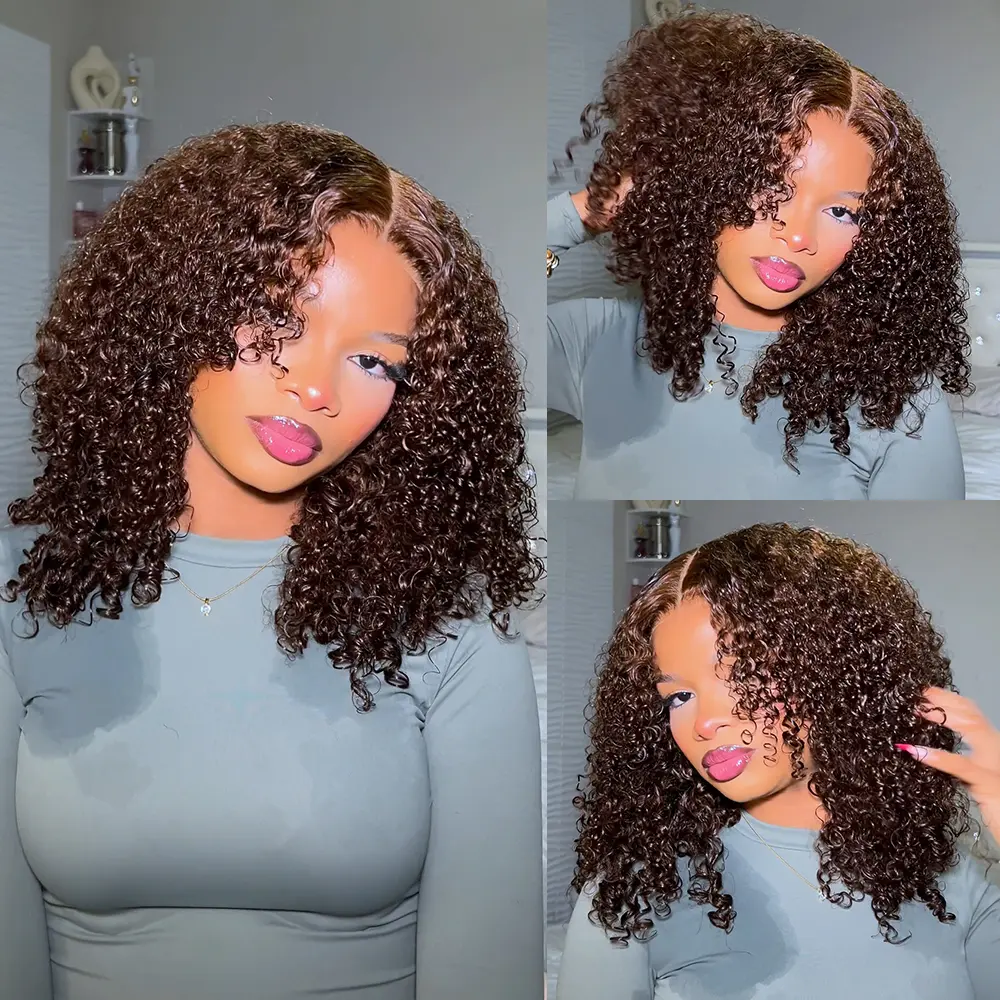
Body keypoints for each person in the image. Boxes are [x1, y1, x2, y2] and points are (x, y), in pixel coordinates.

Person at [1, 122, 543, 1000]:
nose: (317, 387)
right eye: (280, 319)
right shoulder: (19, 596)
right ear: (179, 304)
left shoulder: (456, 635)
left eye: (372, 360)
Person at [557, 523, 1000, 999]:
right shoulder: (633, 894)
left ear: (830, 672)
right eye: (679, 696)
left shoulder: (956, 875)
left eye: (742, 675)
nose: (705, 722)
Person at [547, 11, 970, 499]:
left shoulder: (899, 402)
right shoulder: (595, 340)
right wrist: (587, 211)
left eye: (840, 211)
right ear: (712, 174)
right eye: (771, 184)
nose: (797, 236)